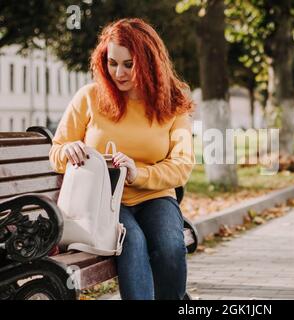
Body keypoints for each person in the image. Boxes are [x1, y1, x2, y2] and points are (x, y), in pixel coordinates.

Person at [49, 18, 195, 300]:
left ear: (150, 62)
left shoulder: (172, 104)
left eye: (129, 64)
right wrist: (67, 152)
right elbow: (56, 152)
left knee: (169, 245)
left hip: (155, 196)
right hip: (104, 202)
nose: (119, 72)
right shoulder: (89, 97)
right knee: (133, 241)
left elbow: (181, 166)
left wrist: (138, 173)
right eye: (112, 63)